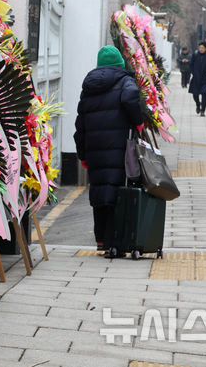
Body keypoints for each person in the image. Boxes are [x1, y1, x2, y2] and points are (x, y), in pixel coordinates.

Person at [74, 46, 144, 257]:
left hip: (95, 150)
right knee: (118, 191)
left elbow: (81, 126)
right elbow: (131, 99)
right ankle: (117, 242)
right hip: (119, 148)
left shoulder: (89, 86)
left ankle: (102, 240)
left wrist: (82, 155)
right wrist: (138, 122)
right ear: (119, 64)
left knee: (100, 191)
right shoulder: (125, 81)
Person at [189, 41, 206, 116]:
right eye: (200, 47)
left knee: (204, 94)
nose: (201, 49)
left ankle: (203, 110)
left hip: (204, 78)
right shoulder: (195, 54)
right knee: (195, 94)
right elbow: (191, 64)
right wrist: (193, 72)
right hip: (195, 78)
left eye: (202, 48)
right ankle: (198, 104)